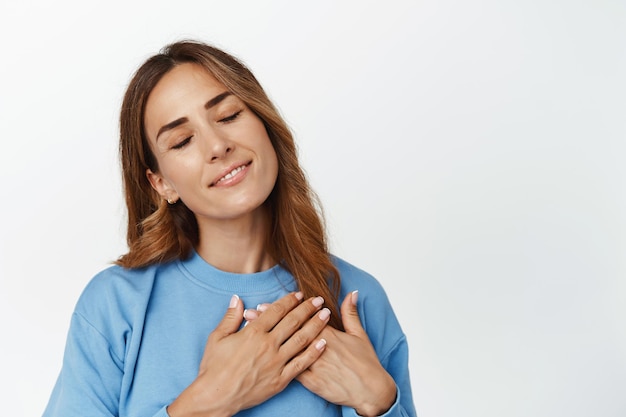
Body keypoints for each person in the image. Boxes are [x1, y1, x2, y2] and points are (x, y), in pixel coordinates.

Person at [42, 39, 416, 417]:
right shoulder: (115, 306)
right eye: (183, 141)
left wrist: (379, 399)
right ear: (161, 183)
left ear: (265, 123)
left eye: (228, 116)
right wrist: (208, 401)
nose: (218, 146)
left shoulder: (357, 298)